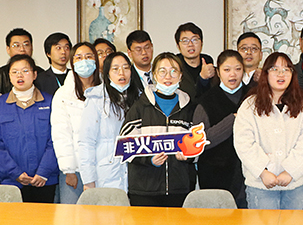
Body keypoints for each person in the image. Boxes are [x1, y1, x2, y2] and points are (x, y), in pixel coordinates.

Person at [234, 52, 303, 210]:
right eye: (275, 69)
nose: (281, 74)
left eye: (286, 69)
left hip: (294, 183)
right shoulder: (250, 104)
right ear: (265, 73)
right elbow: (243, 143)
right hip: (260, 183)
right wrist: (263, 171)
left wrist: (290, 171)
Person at [120, 52, 196, 207]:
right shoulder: (140, 107)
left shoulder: (189, 108)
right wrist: (149, 159)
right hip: (144, 189)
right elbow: (124, 146)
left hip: (179, 188)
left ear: (181, 75)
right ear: (154, 75)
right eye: (162, 71)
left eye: (174, 71)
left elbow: (198, 145)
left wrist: (189, 156)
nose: (168, 76)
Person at [79, 52, 142, 192]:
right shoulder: (96, 99)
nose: (122, 73)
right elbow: (86, 142)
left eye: (126, 68)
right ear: (107, 73)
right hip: (106, 173)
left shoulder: (140, 99)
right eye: (115, 69)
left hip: (136, 173)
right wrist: (89, 180)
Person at [193, 50, 250, 207]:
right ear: (218, 72)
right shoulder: (206, 100)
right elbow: (199, 142)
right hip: (214, 175)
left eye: (238, 69)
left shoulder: (254, 97)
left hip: (248, 176)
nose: (232, 74)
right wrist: (233, 119)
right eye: (227, 69)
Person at [0, 55, 59, 203]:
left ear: (34, 75)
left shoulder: (51, 102)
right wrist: (15, 173)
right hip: (10, 181)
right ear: (9, 76)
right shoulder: (1, 104)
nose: (19, 75)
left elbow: (57, 139)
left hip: (45, 179)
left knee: (43, 218)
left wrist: (44, 171)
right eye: (14, 72)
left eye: (25, 71)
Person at [51, 42, 101, 203]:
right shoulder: (63, 94)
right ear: (72, 62)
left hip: (102, 167)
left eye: (88, 56)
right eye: (78, 58)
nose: (84, 61)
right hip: (75, 170)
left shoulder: (106, 90)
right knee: (71, 215)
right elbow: (61, 134)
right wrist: (69, 170)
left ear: (96, 60)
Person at [175, 22, 216, 103]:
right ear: (178, 46)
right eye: (185, 41)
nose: (190, 44)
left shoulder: (210, 67)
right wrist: (202, 78)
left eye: (195, 39)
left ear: (202, 43)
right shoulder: (174, 69)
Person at [0, 28, 43, 95]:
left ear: (32, 48)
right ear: (8, 49)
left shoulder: (42, 74)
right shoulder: (1, 74)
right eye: (16, 45)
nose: (22, 49)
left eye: (26, 44)